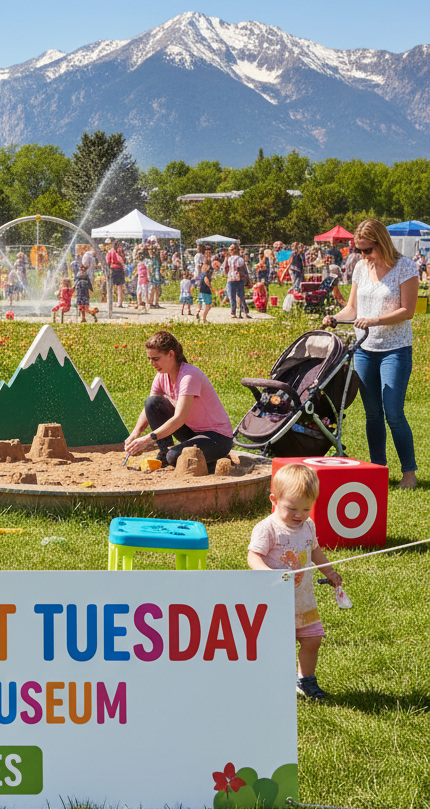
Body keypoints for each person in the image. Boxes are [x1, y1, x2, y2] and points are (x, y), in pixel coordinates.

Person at [323, 218, 418, 488]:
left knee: (394, 413)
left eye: (367, 250)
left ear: (382, 243)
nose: (363, 255)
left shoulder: (405, 266)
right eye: (359, 250)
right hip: (365, 349)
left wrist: (374, 320)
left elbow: (407, 311)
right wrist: (335, 317)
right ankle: (379, 470)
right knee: (373, 414)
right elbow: (353, 309)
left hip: (395, 350)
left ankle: (408, 473)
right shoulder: (361, 269)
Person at [248, 463, 343, 700]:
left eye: (306, 509)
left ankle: (305, 680)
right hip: (275, 602)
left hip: (303, 601)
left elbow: (316, 552)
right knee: (277, 644)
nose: (299, 515)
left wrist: (329, 572)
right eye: (291, 508)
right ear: (274, 499)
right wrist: (267, 573)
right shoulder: (267, 529)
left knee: (312, 639)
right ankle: (270, 681)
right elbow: (253, 556)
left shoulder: (307, 526)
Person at [124, 331, 234, 469]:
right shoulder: (162, 375)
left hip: (217, 438)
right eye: (149, 359)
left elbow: (179, 418)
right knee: (152, 402)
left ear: (171, 354)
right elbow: (150, 408)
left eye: (156, 359)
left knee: (174, 457)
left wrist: (147, 440)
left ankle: (215, 459)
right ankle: (165, 452)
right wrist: (135, 433)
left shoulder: (189, 376)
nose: (151, 363)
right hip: (192, 432)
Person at [225, 243, 251, 319]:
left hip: (231, 279)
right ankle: (244, 311)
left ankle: (234, 312)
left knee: (231, 296)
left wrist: (229, 273)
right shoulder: (240, 259)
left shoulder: (229, 259)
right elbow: (244, 270)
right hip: (239, 278)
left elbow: (225, 268)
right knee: (241, 296)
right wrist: (247, 280)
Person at [106, 242, 126, 307]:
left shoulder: (110, 251)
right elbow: (124, 259)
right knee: (120, 286)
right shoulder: (121, 250)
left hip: (112, 269)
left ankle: (110, 302)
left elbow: (107, 261)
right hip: (119, 269)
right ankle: (120, 303)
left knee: (110, 286)